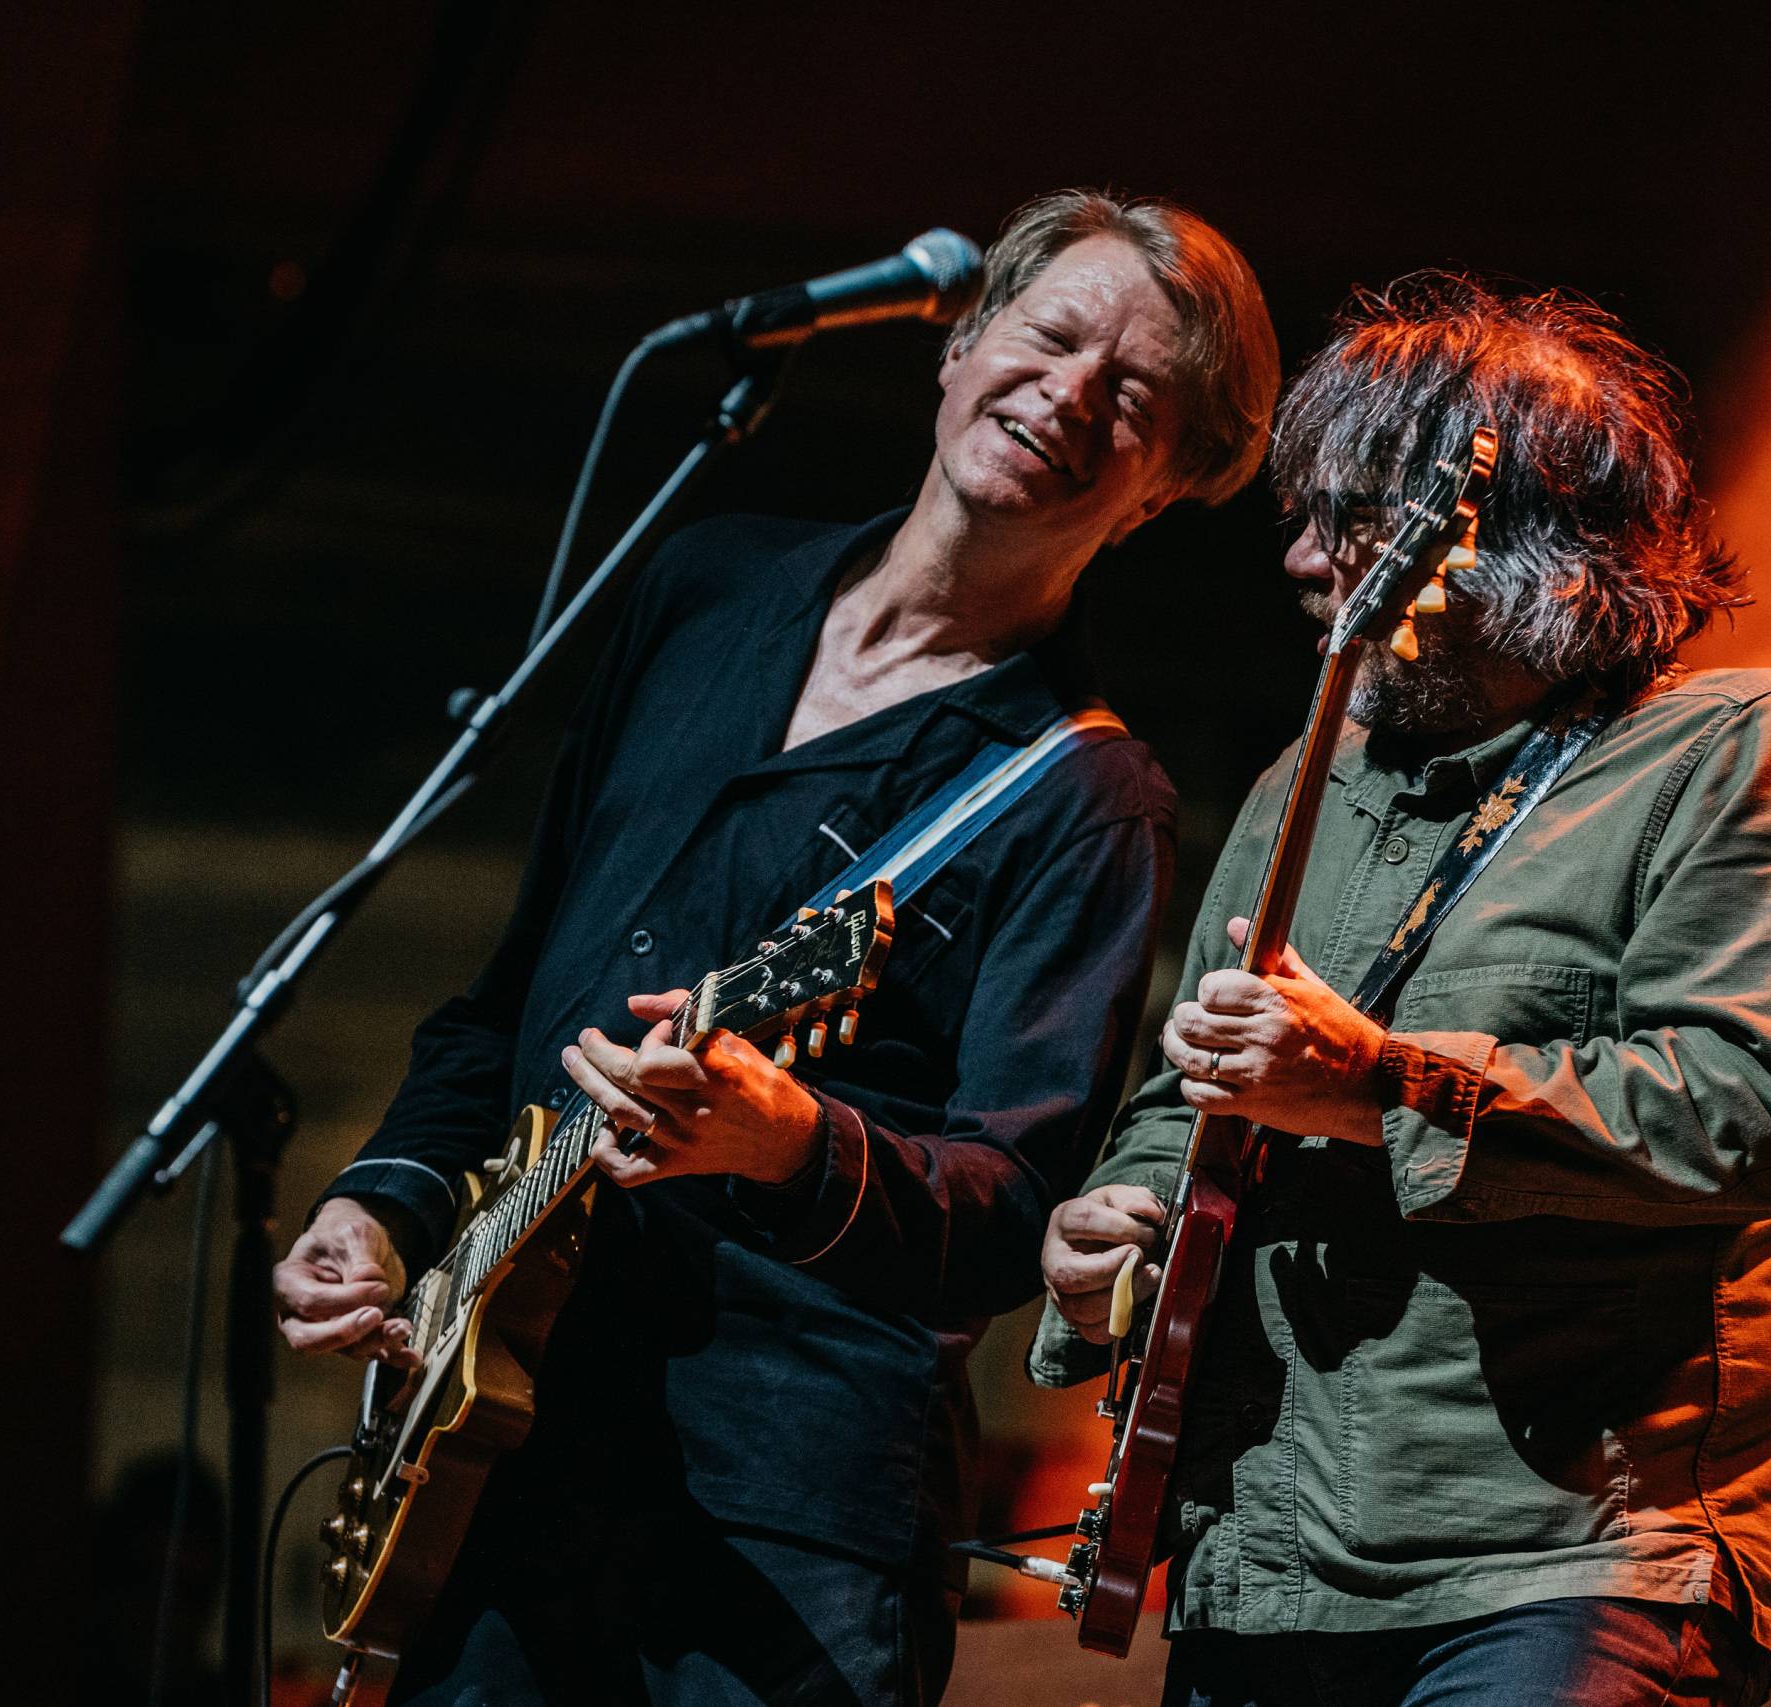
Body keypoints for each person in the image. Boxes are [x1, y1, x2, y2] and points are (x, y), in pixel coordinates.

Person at [271, 189, 1281, 1705]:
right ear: (960, 345)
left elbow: (1013, 1210)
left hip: (781, 1529)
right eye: (1052, 336)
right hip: (505, 1461)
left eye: (1133, 395)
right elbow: (507, 1009)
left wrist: (792, 1140)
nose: (1071, 394)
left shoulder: (1089, 793)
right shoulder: (703, 588)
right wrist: (390, 1208)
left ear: (1159, 491)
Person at [1033, 273, 1771, 1707]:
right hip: (1262, 1554)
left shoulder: (1752, 752)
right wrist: (1105, 1227)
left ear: (1509, 540)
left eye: (1348, 519)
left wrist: (1377, 1085)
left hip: (1567, 1560)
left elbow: (1749, 1115)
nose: (1305, 562)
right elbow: (1179, 1095)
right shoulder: (1298, 784)